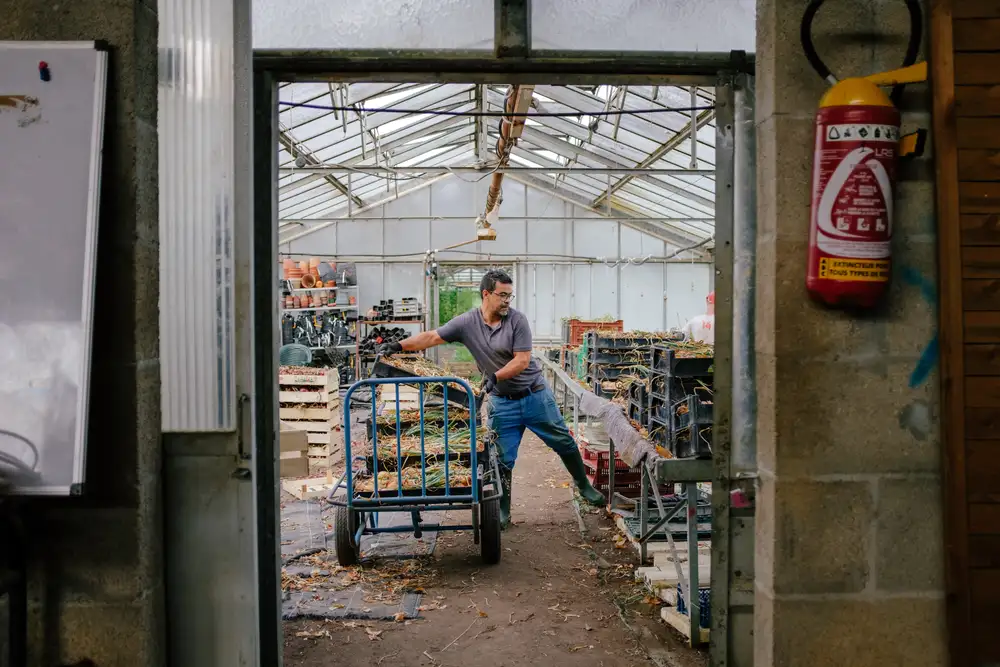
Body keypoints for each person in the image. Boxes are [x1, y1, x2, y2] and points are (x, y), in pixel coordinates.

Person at [378, 269, 605, 529]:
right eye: (503, 295)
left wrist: (494, 377)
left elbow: (521, 360)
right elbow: (433, 336)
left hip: (535, 396)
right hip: (503, 403)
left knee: (563, 440)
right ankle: (503, 509)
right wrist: (398, 346)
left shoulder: (518, 321)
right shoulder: (466, 323)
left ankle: (583, 485)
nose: (508, 300)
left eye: (511, 295)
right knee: (500, 459)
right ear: (486, 294)